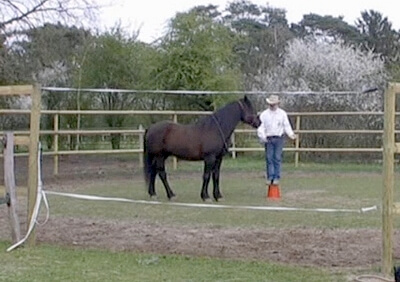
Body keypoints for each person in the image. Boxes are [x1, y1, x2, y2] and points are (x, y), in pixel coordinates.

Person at [257, 94, 296, 185]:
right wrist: (262, 136)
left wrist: (291, 134)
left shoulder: (282, 114)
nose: (272, 105)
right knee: (269, 158)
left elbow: (286, 125)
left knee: (277, 158)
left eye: (274, 104)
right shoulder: (264, 114)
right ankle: (270, 177)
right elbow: (261, 127)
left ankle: (276, 177)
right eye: (271, 104)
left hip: (279, 138)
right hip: (268, 138)